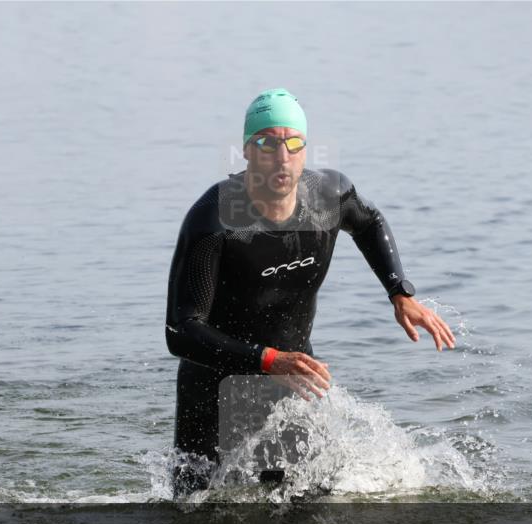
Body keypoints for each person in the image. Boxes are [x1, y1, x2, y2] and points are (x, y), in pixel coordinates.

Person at [165, 88, 456, 496]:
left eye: (293, 143)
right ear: (247, 151)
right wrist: (268, 360)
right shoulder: (213, 220)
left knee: (307, 510)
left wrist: (399, 291)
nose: (281, 157)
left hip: (293, 380)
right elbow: (181, 331)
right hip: (215, 391)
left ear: (305, 149)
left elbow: (369, 222)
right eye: (267, 143)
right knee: (200, 522)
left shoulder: (328, 197)